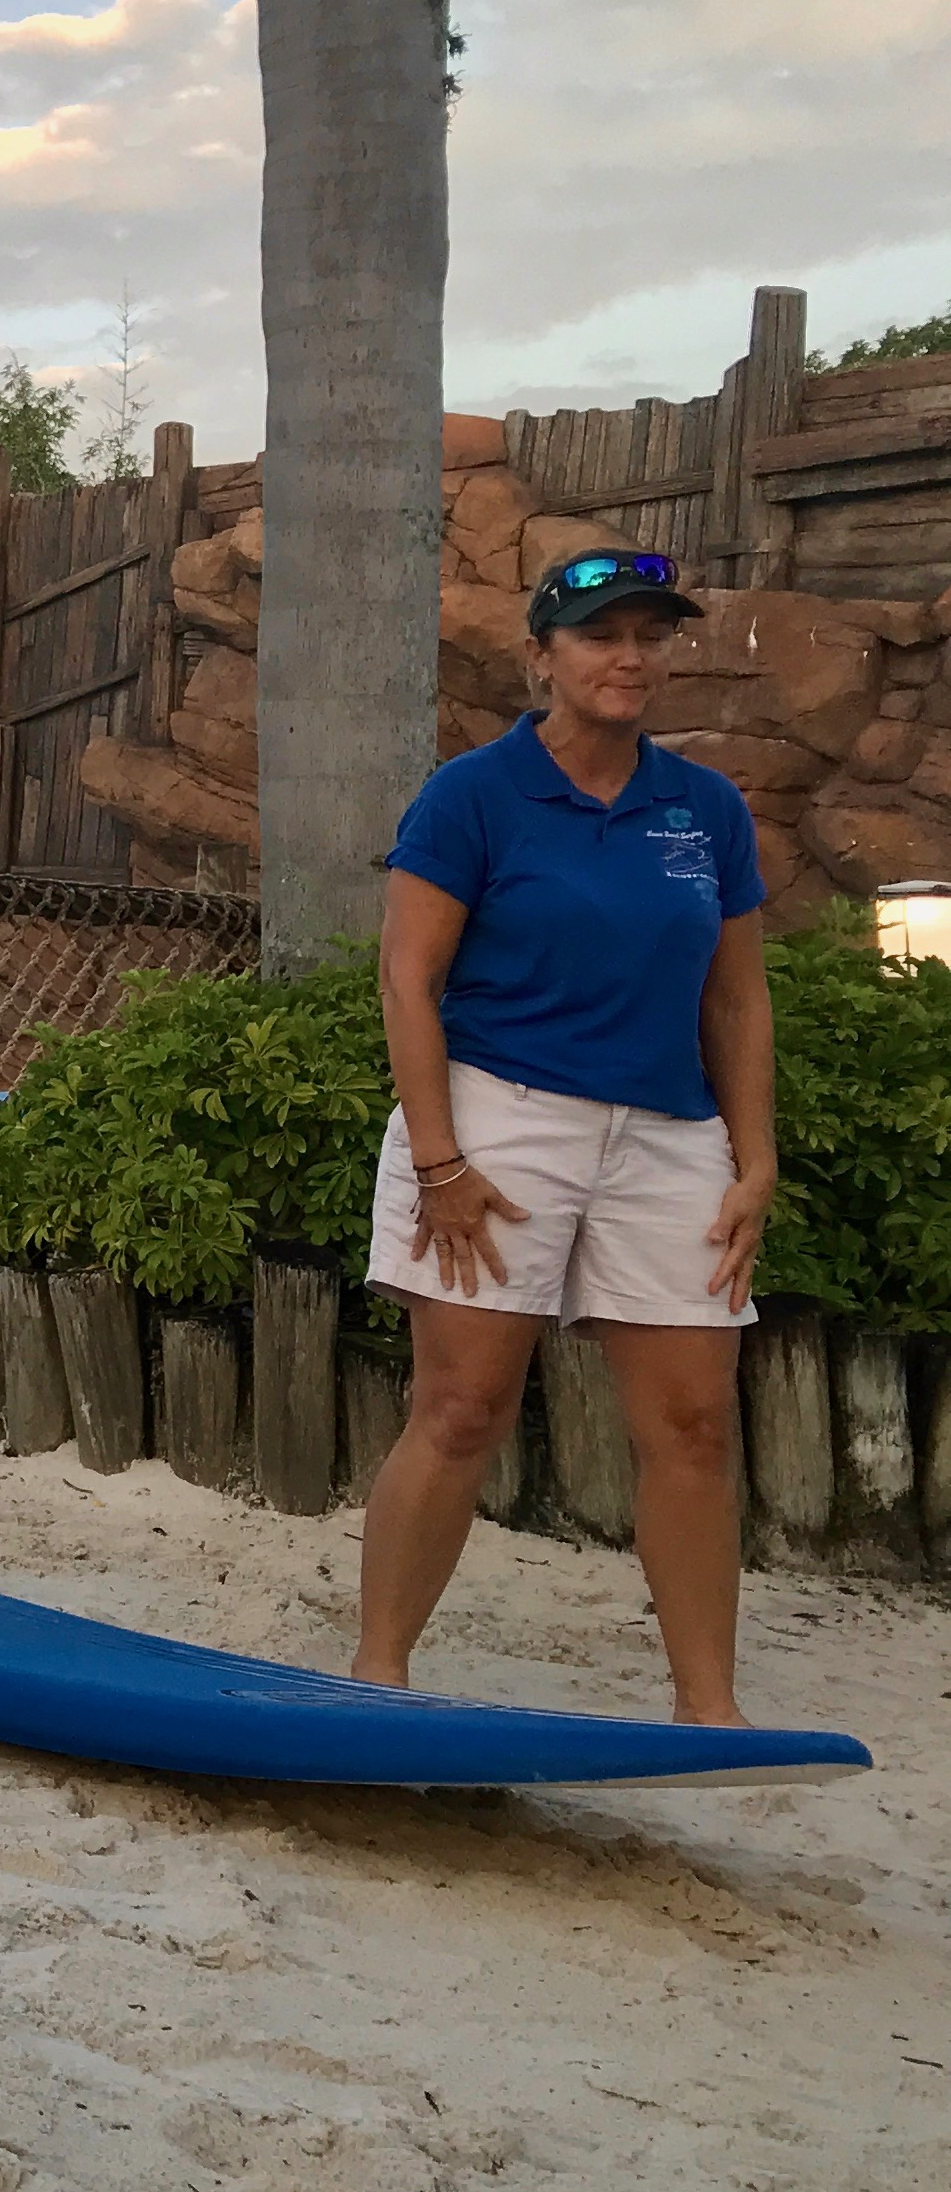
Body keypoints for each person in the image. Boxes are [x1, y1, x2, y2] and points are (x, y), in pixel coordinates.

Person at [350, 546, 776, 1723]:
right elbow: (406, 980)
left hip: (670, 1134)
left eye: (650, 634)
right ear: (541, 655)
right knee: (462, 1408)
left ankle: (709, 1706)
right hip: (501, 1117)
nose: (629, 656)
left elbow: (736, 999)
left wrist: (758, 1161)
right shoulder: (471, 796)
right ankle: (378, 1678)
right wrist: (440, 1162)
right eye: (599, 634)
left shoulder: (706, 811)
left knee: (694, 1421)